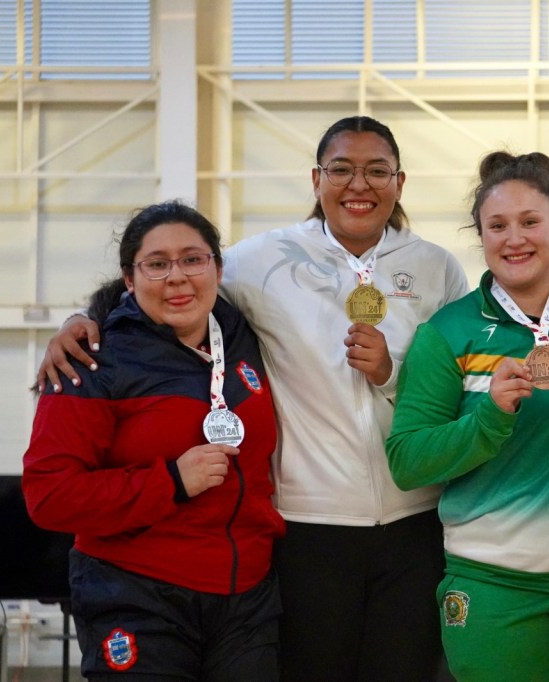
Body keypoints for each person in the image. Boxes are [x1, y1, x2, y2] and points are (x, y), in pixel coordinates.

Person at [35, 116, 469, 681]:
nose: (358, 185)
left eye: (377, 171)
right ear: (316, 179)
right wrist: (81, 319)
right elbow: (170, 281)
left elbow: (458, 383)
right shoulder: (261, 260)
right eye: (341, 169)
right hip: (307, 526)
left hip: (414, 520)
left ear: (400, 181)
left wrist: (390, 375)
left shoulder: (437, 268)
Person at [385, 151, 549, 681]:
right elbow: (408, 461)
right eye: (497, 226)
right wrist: (489, 416)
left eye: (530, 222)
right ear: (480, 235)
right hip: (490, 583)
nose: (514, 239)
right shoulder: (449, 333)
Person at [23, 200, 285, 681]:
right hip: (137, 594)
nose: (177, 277)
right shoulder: (92, 360)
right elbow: (50, 495)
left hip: (246, 599)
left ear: (217, 268)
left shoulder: (242, 335)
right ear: (130, 278)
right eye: (157, 264)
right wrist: (171, 481)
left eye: (192, 259)